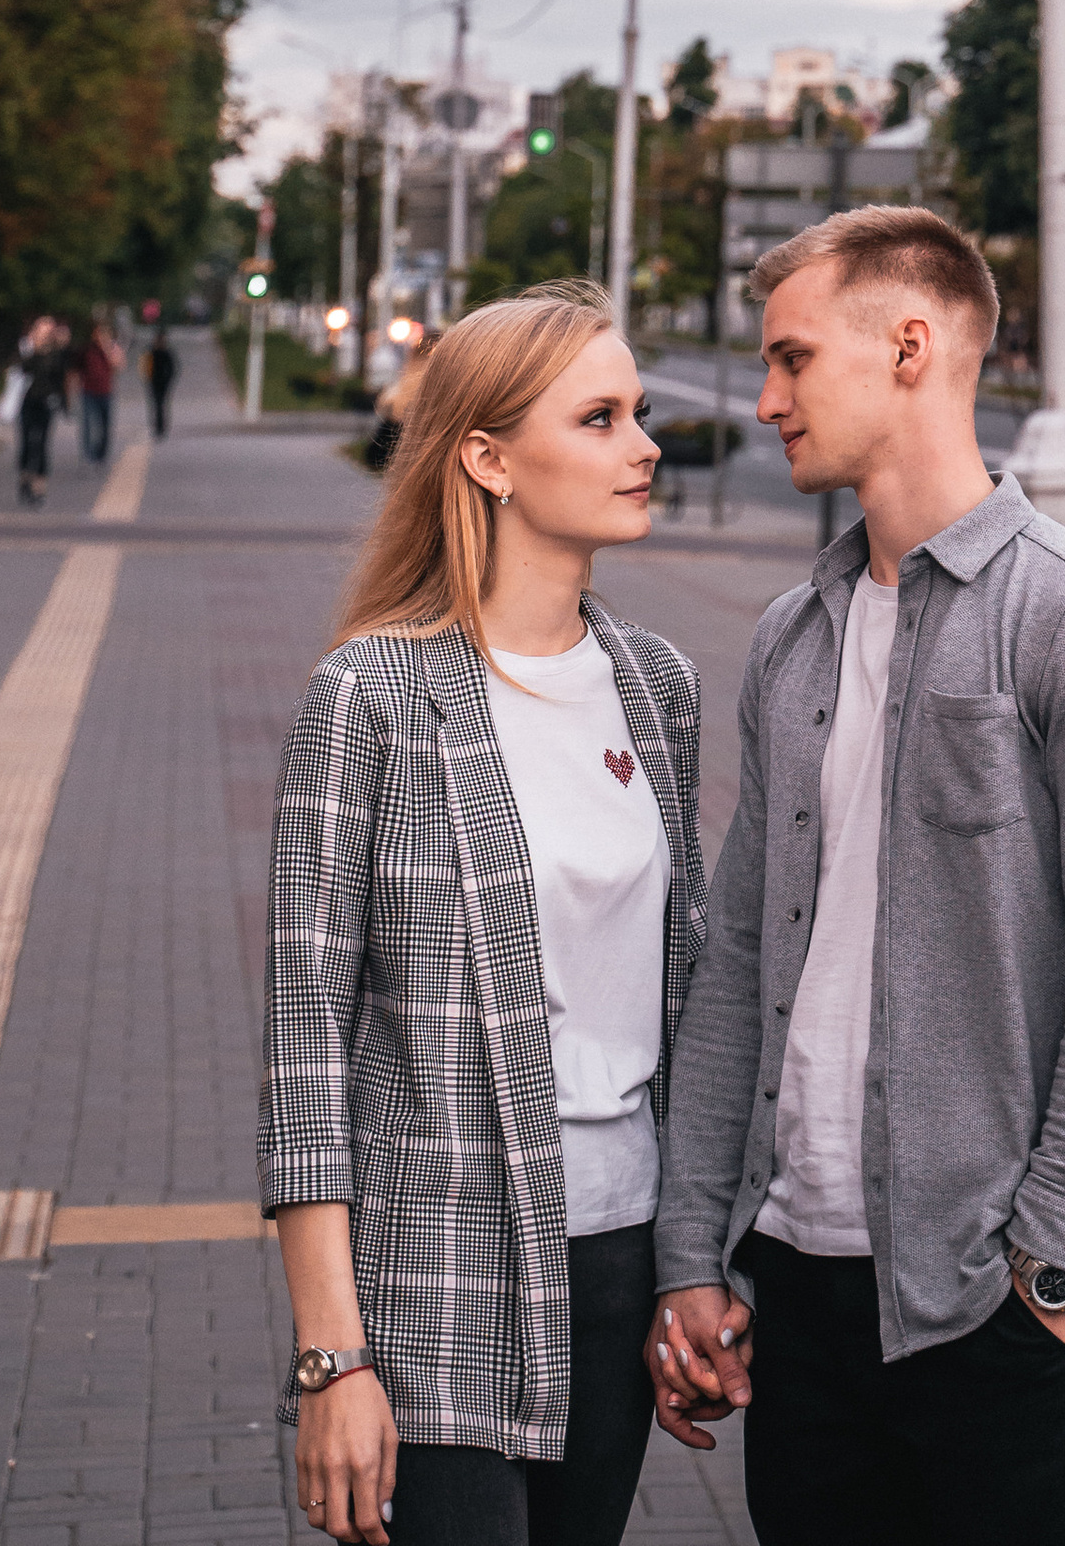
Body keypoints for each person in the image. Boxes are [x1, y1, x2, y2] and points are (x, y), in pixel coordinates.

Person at [649, 206, 1065, 1546]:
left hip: (992, 1301)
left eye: (791, 360)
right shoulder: (791, 637)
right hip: (798, 1292)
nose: (766, 400)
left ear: (908, 347)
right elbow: (740, 963)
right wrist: (690, 1254)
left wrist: (1048, 1265)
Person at [260, 277, 703, 1546]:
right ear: (487, 458)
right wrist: (331, 1360)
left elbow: (686, 998)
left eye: (639, 412)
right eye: (600, 419)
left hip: (620, 1258)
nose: (643, 446)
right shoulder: (372, 697)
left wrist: (695, 1268)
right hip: (436, 1269)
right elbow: (305, 1051)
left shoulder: (655, 686)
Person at [14, 315, 72, 508]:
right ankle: (25, 477)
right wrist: (33, 349)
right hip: (27, 402)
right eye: (41, 329)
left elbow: (62, 377)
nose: (45, 333)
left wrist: (64, 403)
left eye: (48, 330)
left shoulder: (58, 353)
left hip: (46, 402)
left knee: (42, 444)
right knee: (27, 442)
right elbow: (22, 369)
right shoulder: (27, 349)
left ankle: (39, 487)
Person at [76, 315, 123, 465]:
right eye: (98, 333)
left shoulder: (113, 348)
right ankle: (88, 454)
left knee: (105, 425)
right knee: (88, 424)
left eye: (104, 333)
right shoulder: (87, 350)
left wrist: (107, 349)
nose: (101, 336)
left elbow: (118, 366)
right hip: (88, 392)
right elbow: (76, 369)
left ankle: (101, 453)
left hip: (106, 392)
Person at [145, 320, 178, 438]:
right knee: (157, 404)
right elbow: (146, 365)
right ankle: (158, 426)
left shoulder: (166, 352)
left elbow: (173, 368)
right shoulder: (152, 351)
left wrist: (169, 378)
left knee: (162, 403)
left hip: (164, 381)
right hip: (154, 381)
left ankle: (161, 426)